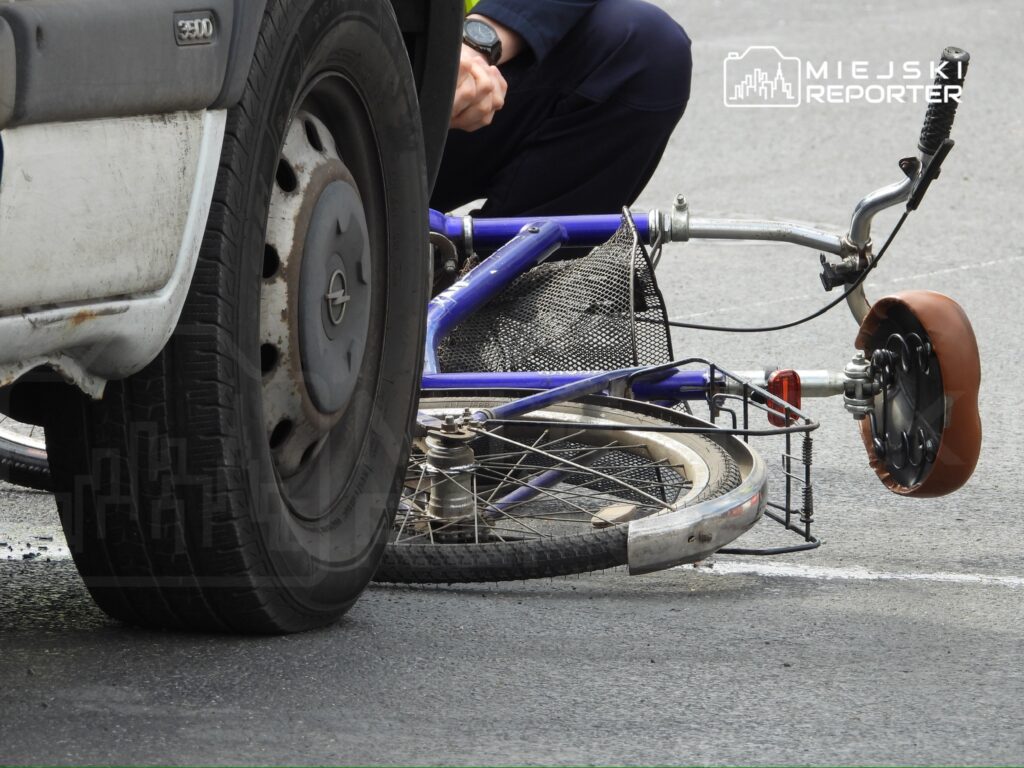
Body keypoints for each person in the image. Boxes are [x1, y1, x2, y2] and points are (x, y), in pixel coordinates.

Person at [432, 0, 693, 218]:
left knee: (644, 47)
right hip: (394, 99)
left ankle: (506, 272)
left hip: (435, 109)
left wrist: (475, 44)